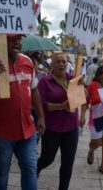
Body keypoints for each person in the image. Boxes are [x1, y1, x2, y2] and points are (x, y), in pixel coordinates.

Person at [0, 34, 45, 190]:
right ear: (1, 40)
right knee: (2, 171)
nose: (16, 42)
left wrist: (41, 117)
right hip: (1, 133)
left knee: (30, 169)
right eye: (11, 39)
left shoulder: (27, 61)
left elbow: (34, 89)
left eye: (18, 39)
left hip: (27, 130)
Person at [37, 52, 80, 190]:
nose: (61, 64)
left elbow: (80, 100)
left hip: (71, 128)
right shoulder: (45, 81)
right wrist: (61, 106)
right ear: (52, 65)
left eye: (64, 62)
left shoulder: (73, 79)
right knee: (47, 159)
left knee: (68, 163)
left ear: (67, 64)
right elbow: (41, 104)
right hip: (52, 128)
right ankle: (34, 170)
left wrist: (82, 92)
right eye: (58, 62)